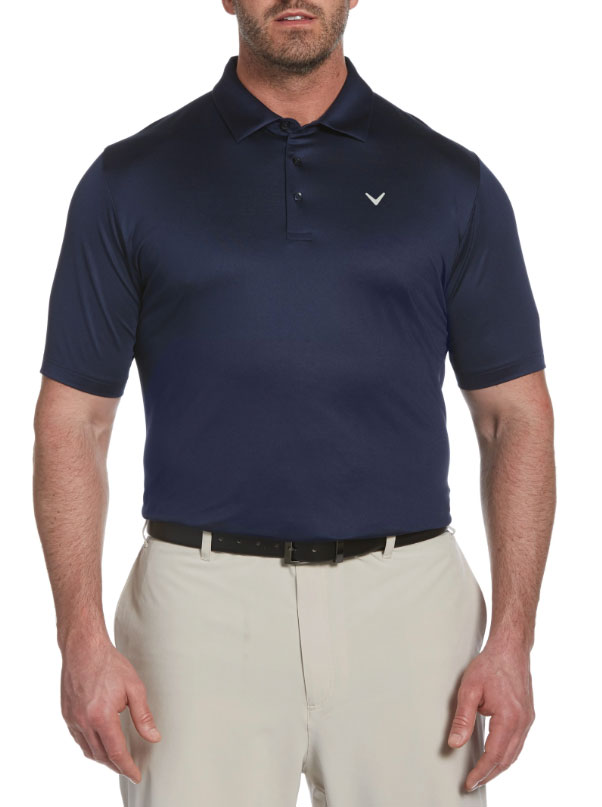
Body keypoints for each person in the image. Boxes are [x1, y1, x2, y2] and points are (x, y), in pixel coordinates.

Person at [32, 1, 556, 805]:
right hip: (196, 611)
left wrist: (514, 639)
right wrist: (80, 638)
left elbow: (513, 417)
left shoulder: (451, 182)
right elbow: (73, 422)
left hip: (410, 610)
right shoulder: (129, 182)